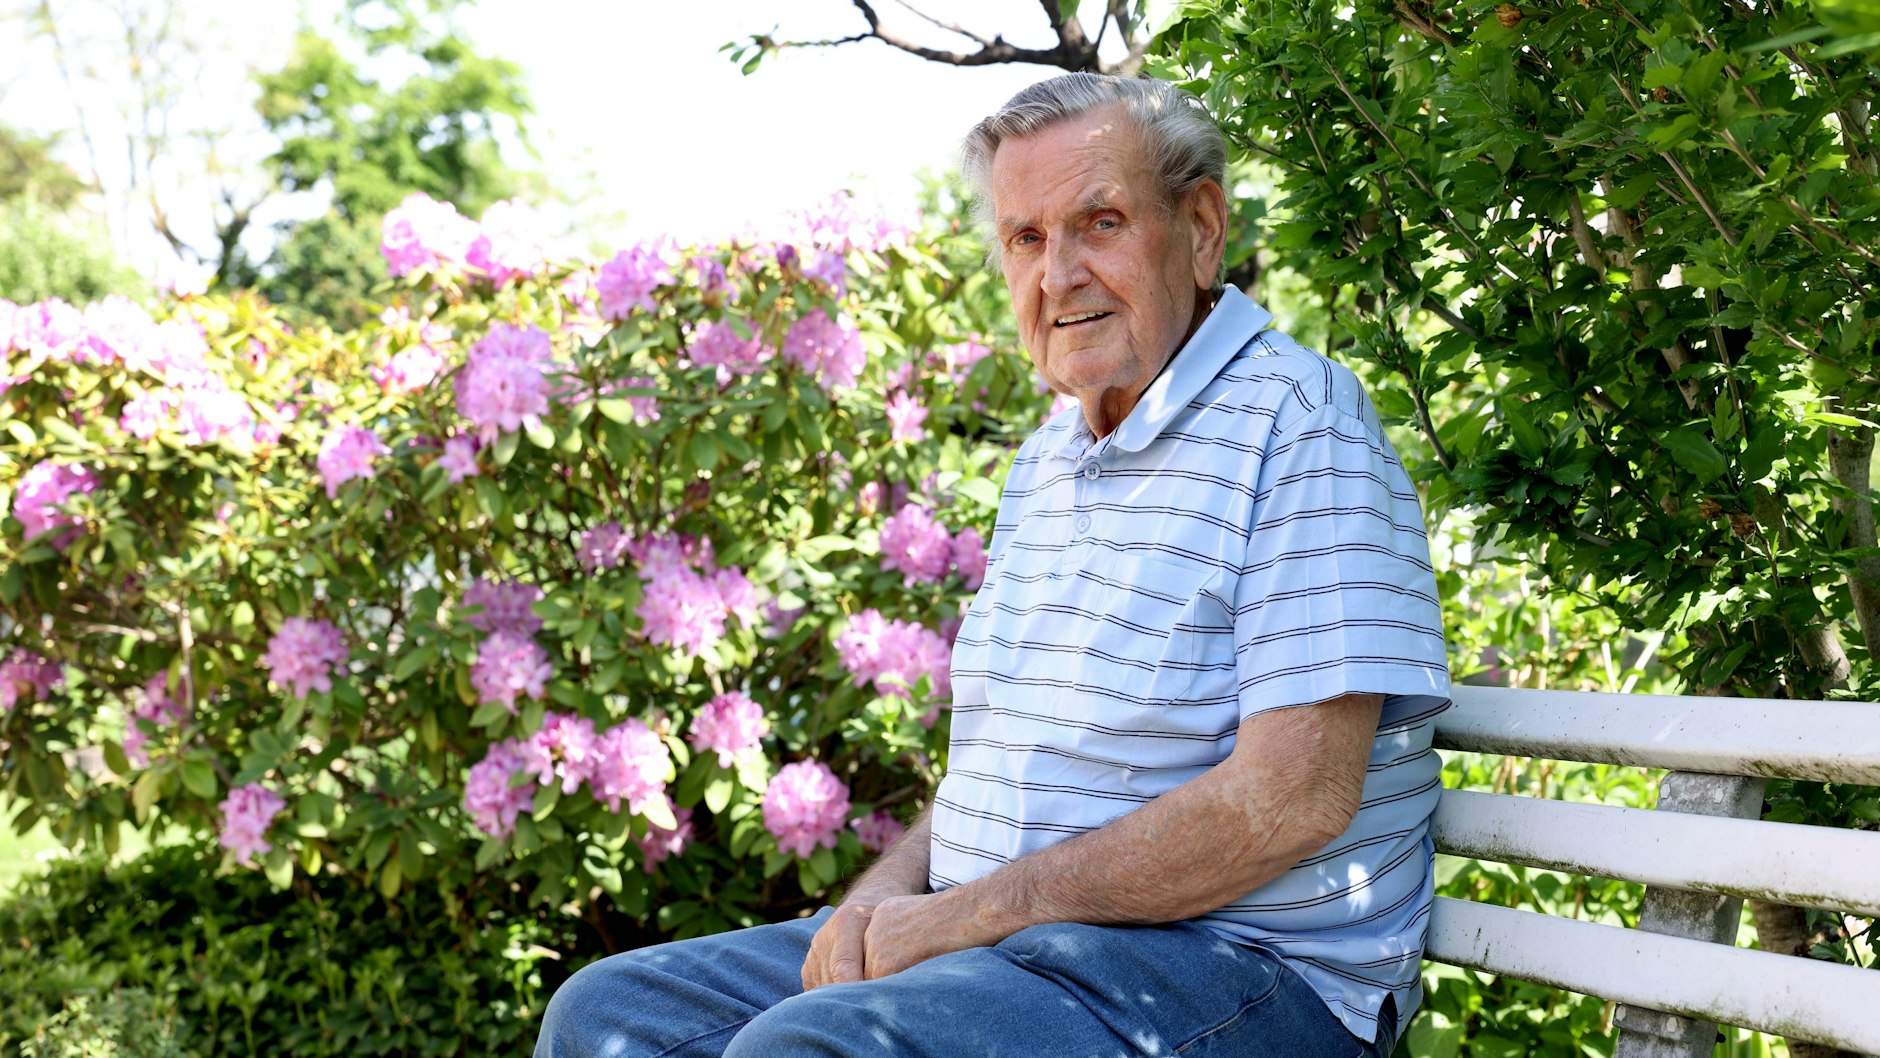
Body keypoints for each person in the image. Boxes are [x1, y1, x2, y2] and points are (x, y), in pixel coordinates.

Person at [534, 73, 1451, 1058]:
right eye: (1024, 238)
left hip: (1240, 971)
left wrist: (972, 911)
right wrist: (889, 887)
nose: (1056, 274)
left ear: (1199, 226)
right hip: (1013, 950)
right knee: (608, 1018)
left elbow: (1288, 798)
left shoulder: (1298, 422)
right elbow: (1006, 766)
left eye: (1097, 222)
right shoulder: (1048, 460)